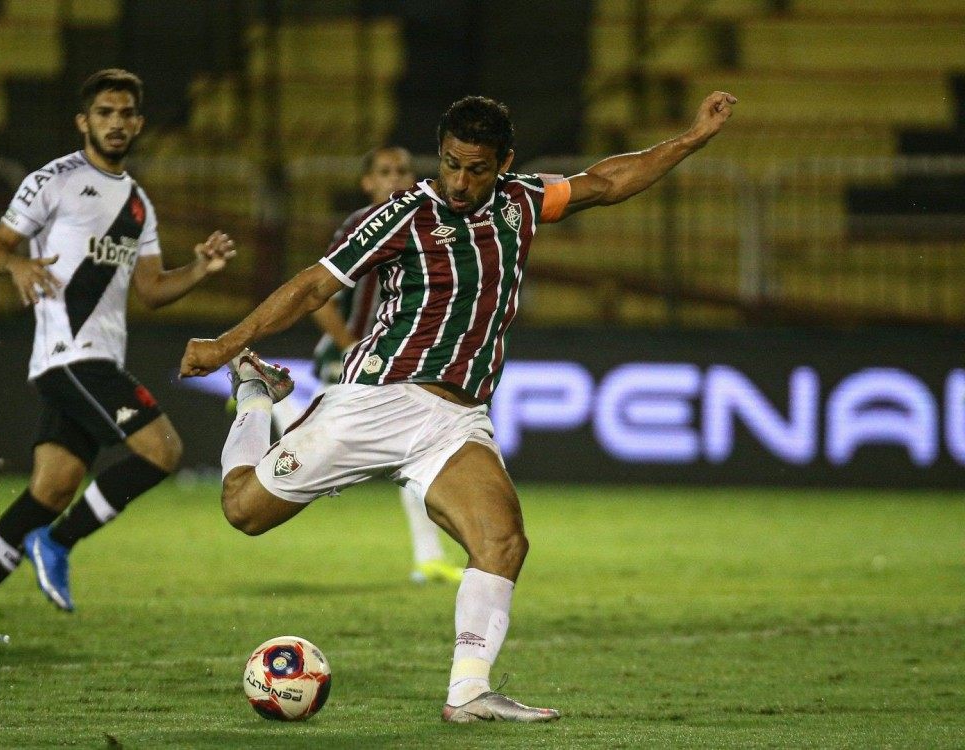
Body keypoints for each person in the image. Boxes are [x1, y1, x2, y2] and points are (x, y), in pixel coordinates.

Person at [181, 90, 737, 720]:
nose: (460, 181)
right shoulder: (404, 216)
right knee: (244, 511)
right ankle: (253, 394)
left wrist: (691, 139)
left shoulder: (523, 202)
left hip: (455, 418)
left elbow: (606, 182)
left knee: (503, 542)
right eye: (450, 164)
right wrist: (228, 343)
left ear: (503, 163)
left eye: (476, 168)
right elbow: (314, 285)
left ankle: (469, 691)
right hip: (377, 400)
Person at [0, 68, 236, 642]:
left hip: (98, 358)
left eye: (126, 114)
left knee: (52, 489)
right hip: (71, 356)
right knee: (163, 449)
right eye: (105, 113)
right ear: (83, 121)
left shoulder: (138, 204)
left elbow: (150, 289)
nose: (116, 123)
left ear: (138, 123)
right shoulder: (54, 180)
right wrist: (19, 263)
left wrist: (200, 269)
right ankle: (59, 542)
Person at [272, 145, 464, 585]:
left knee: (414, 456)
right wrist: (348, 346)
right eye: (385, 172)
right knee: (306, 457)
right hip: (352, 358)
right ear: (367, 183)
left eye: (403, 170)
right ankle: (264, 404)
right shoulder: (358, 226)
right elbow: (319, 298)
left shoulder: (427, 224)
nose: (396, 178)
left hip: (394, 363)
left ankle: (428, 557)